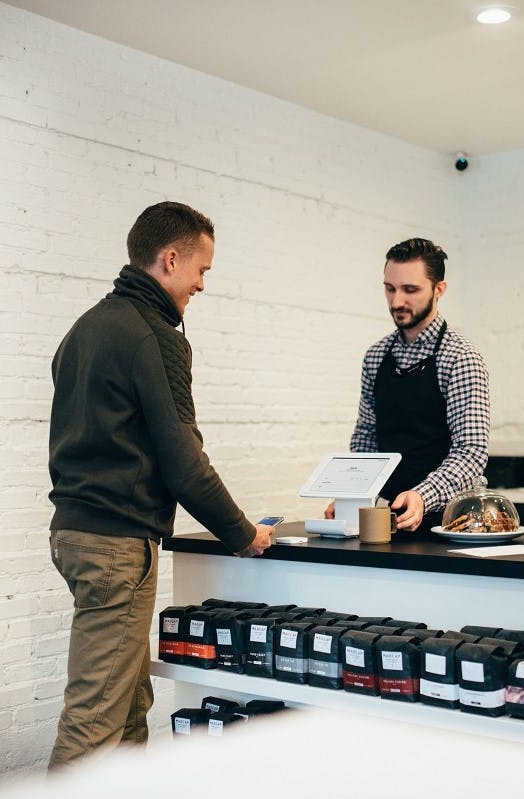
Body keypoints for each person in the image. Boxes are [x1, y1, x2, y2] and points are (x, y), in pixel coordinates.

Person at [47, 201, 274, 768]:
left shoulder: (85, 329)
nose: (201, 285)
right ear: (170, 259)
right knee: (95, 717)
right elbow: (183, 460)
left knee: (128, 703)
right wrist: (243, 534)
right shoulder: (155, 336)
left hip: (74, 534)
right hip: (118, 546)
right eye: (201, 271)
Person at [326, 238, 489, 532]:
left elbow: (471, 452)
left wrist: (422, 496)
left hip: (450, 523)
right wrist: (352, 494)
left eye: (410, 290)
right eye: (390, 289)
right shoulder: (376, 356)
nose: (397, 301)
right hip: (388, 519)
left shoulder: (460, 357)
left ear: (439, 289)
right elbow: (366, 437)